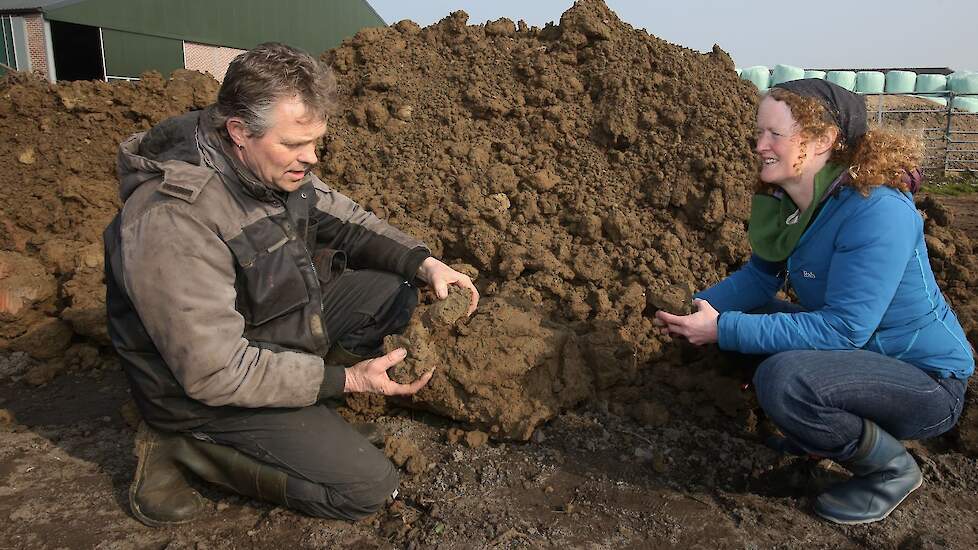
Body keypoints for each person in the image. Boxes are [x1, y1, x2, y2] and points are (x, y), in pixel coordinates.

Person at [103, 42, 479, 526]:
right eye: (295, 145)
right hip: (199, 390)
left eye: (315, 142)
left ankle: (305, 415)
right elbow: (214, 372)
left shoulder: (264, 163)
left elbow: (346, 221)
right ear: (238, 131)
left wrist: (425, 263)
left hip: (260, 328)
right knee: (367, 488)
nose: (312, 158)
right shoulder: (174, 217)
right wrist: (345, 380)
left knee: (393, 290)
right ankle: (183, 447)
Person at [655, 79, 973, 524]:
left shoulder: (876, 210)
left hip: (926, 383)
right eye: (758, 132)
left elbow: (845, 328)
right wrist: (693, 311)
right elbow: (758, 279)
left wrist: (722, 328)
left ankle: (891, 470)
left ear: (823, 140)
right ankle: (819, 434)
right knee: (743, 321)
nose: (760, 145)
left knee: (785, 378)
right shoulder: (794, 201)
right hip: (859, 360)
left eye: (775, 134)